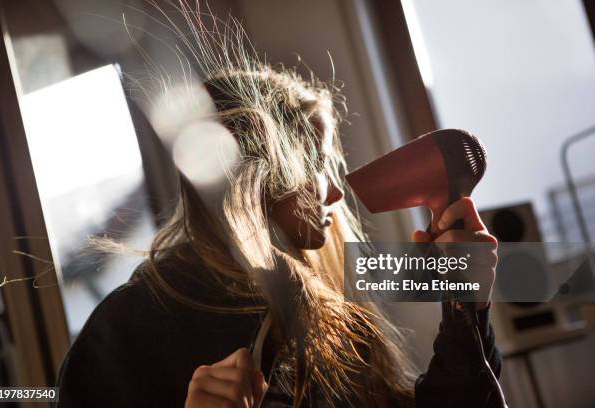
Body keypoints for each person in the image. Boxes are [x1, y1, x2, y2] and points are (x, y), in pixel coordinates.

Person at [55, 10, 501, 408]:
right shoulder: (126, 332)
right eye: (317, 165)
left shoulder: (326, 310)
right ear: (262, 177)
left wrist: (467, 307)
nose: (335, 194)